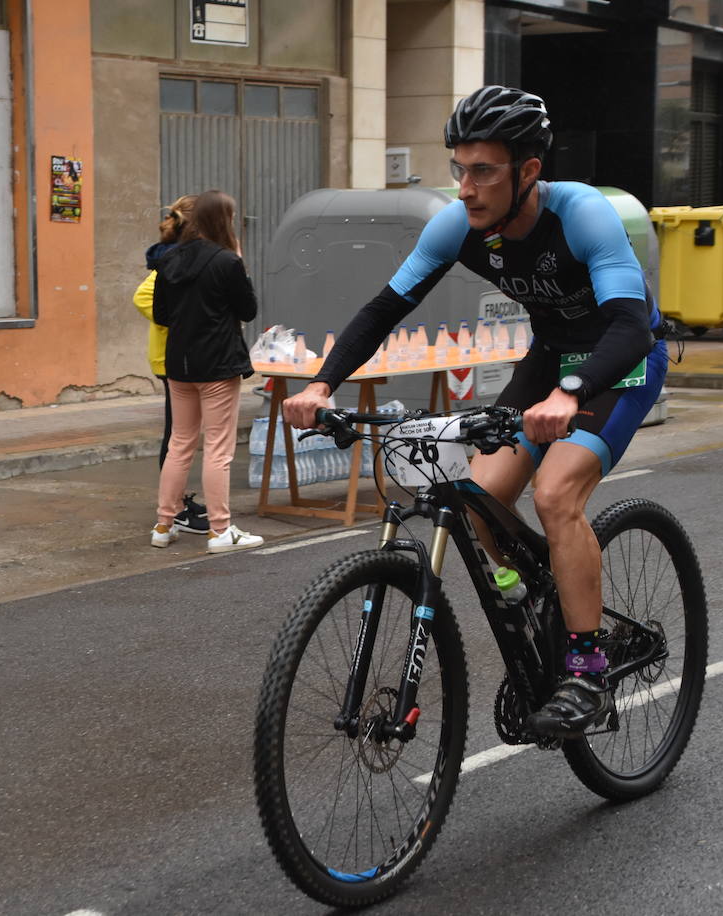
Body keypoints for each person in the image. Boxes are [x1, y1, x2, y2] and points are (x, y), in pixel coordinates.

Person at [282, 85, 667, 737]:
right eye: (459, 168)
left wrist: (571, 395)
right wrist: (322, 384)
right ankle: (534, 595)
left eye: (483, 170)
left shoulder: (582, 216)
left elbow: (631, 326)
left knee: (554, 494)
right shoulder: (459, 225)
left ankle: (586, 670)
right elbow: (384, 309)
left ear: (529, 172)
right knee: (478, 498)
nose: (465, 186)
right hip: (549, 356)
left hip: (617, 361)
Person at [151, 189, 265, 554]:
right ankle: (220, 530)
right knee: (218, 449)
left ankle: (163, 525)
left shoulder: (169, 260)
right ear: (222, 220)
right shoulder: (226, 261)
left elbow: (161, 316)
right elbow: (248, 310)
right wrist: (239, 265)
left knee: (179, 444)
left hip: (179, 364)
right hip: (217, 364)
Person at [132, 195, 210, 534]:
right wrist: (183, 321)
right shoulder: (175, 259)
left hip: (179, 355)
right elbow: (143, 296)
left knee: (181, 434)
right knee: (178, 436)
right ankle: (174, 509)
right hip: (173, 356)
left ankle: (177, 502)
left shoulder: (179, 256)